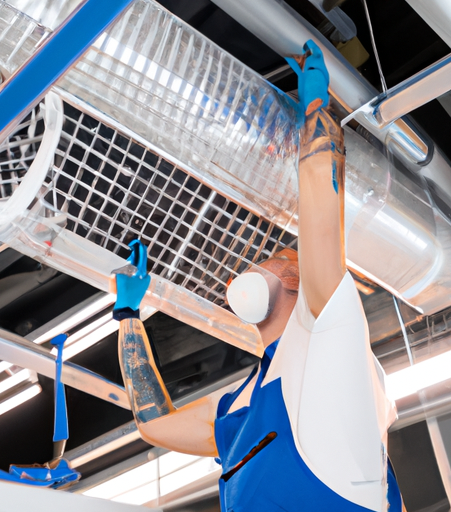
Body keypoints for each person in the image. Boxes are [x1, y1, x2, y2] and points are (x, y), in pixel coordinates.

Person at [113, 40, 403, 512]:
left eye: (272, 255)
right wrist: (128, 315)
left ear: (297, 278)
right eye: (276, 256)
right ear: (294, 275)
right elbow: (157, 424)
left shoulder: (326, 336)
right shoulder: (243, 399)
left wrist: (317, 105)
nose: (257, 261)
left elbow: (320, 210)